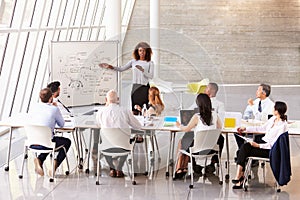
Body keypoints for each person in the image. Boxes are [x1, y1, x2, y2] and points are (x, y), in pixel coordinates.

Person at [232, 101, 288, 189]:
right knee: (244, 148)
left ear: (277, 110)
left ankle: (240, 176)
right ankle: (239, 175)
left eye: (274, 108)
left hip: (270, 151)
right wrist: (246, 128)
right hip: (264, 146)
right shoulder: (272, 119)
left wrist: (258, 146)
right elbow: (261, 128)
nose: (272, 109)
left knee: (242, 150)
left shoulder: (283, 126)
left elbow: (274, 144)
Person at [173, 93, 222, 179]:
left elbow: (186, 129)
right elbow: (219, 128)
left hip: (197, 150)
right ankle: (183, 167)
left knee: (183, 140)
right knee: (187, 139)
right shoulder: (215, 115)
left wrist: (178, 125)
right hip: (211, 149)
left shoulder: (197, 117)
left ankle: (179, 168)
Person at [95, 89, 142, 178]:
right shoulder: (125, 111)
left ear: (106, 100)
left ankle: (112, 169)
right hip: (123, 146)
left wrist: (106, 106)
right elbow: (138, 126)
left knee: (104, 140)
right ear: (118, 99)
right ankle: (119, 168)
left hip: (106, 147)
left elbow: (97, 125)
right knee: (126, 141)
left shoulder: (101, 112)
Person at [99, 42, 154, 115]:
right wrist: (110, 66)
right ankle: (135, 125)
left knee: (144, 110)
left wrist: (143, 70)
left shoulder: (150, 63)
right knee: (134, 110)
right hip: (135, 88)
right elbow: (121, 69)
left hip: (144, 88)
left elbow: (151, 76)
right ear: (137, 51)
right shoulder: (133, 62)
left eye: (144, 50)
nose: (142, 52)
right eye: (140, 50)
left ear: (147, 51)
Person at [28, 88, 71, 176]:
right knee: (66, 142)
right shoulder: (54, 109)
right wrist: (55, 108)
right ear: (51, 98)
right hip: (48, 143)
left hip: (32, 142)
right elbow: (62, 124)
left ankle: (39, 160)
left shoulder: (34, 107)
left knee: (47, 142)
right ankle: (55, 164)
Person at [189, 82, 225, 172]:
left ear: (212, 90)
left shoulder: (219, 105)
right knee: (189, 139)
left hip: (210, 134)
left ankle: (213, 162)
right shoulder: (199, 101)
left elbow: (220, 122)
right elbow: (189, 112)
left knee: (220, 138)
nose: (205, 90)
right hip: (200, 132)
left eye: (206, 88)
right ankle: (194, 163)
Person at [234, 84, 275, 160]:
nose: (256, 92)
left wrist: (252, 106)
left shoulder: (271, 105)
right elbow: (247, 113)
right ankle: (242, 153)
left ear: (264, 93)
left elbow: (262, 118)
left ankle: (244, 154)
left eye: (258, 90)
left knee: (255, 136)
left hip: (262, 131)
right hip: (253, 127)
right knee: (237, 132)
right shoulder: (256, 102)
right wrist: (245, 119)